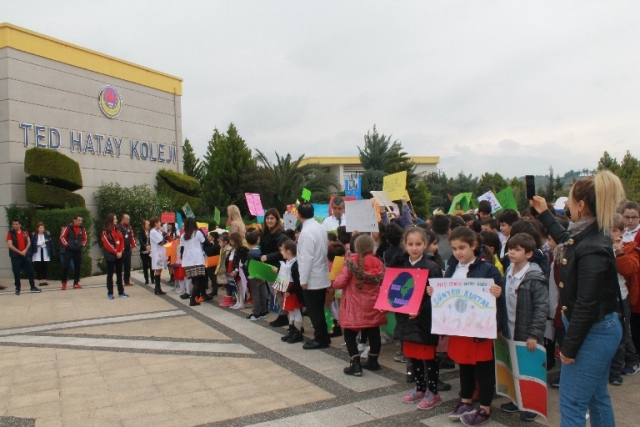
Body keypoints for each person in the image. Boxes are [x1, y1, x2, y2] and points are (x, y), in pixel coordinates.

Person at [530, 170, 624, 427]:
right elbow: (568, 241)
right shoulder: (590, 235)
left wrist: (569, 349)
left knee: (572, 403)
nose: (568, 207)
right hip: (594, 328)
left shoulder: (592, 245)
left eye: (570, 201)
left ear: (581, 206)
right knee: (596, 397)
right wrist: (544, 212)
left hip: (592, 332)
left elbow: (586, 302)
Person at [444, 226, 502, 426]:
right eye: (454, 248)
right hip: (459, 325)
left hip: (480, 326)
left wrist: (497, 292)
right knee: (464, 363)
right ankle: (466, 400)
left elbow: (499, 296)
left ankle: (485, 407)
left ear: (473, 246)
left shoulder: (487, 268)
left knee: (484, 366)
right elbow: (447, 291)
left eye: (462, 247)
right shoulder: (453, 267)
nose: (458, 252)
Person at [388, 228, 444, 410]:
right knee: (412, 355)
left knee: (428, 356)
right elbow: (394, 289)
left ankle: (433, 391)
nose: (414, 248)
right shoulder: (400, 264)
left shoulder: (431, 266)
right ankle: (420, 387)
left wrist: (421, 309)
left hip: (424, 320)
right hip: (406, 317)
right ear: (404, 245)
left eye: (418, 244)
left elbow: (436, 296)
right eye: (410, 244)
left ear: (425, 245)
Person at [498, 233, 549, 422]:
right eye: (510, 248)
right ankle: (517, 400)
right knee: (513, 366)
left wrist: (534, 334)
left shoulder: (534, 276)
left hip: (526, 331)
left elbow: (541, 307)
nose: (512, 252)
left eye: (517, 249)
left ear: (528, 254)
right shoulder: (509, 271)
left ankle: (532, 405)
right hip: (510, 328)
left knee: (530, 369)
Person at [332, 235, 386, 376]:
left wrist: (334, 278)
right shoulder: (378, 262)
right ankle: (373, 361)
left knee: (349, 334)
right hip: (373, 304)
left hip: (354, 305)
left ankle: (355, 364)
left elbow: (339, 283)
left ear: (356, 247)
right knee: (374, 331)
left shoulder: (351, 261)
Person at [609, 213, 640, 383]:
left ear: (621, 231)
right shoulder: (601, 247)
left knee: (621, 335)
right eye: (608, 230)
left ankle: (616, 371)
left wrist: (618, 251)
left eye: (614, 230)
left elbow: (628, 269)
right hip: (604, 298)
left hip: (621, 297)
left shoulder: (629, 248)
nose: (611, 234)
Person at [297, 202, 332, 349]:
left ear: (298, 215)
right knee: (319, 309)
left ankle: (320, 338)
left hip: (312, 277)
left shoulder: (306, 233)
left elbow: (306, 258)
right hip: (322, 274)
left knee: (314, 310)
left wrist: (303, 280)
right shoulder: (320, 227)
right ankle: (323, 335)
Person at [258, 209, 288, 327]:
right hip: (268, 267)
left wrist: (268, 256)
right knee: (273, 291)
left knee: (279, 292)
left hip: (277, 267)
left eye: (272, 218)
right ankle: (282, 314)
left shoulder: (280, 234)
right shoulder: (266, 232)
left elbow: (284, 251)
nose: (269, 220)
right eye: (268, 218)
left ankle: (283, 315)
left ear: (277, 219)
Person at [275, 240, 305, 343]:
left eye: (282, 250)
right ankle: (292, 331)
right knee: (291, 311)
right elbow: (282, 277)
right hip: (287, 289)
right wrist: (278, 287)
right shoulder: (287, 262)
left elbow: (297, 281)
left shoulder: (295, 264)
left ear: (288, 251)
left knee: (296, 311)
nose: (281, 252)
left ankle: (298, 332)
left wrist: (291, 291)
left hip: (293, 291)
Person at [621, 201, 640, 354]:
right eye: (627, 217)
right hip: (625, 282)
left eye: (634, 217)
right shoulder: (621, 232)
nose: (631, 220)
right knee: (631, 320)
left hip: (635, 277)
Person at [179, 217, 207, 307]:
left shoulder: (183, 235)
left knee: (194, 280)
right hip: (197, 259)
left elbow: (182, 248)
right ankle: (192, 299)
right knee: (198, 280)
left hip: (188, 260)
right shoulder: (197, 233)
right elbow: (204, 241)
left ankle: (193, 297)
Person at [7, 219, 40, 294]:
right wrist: (19, 252)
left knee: (30, 271)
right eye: (13, 224)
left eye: (16, 224)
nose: (15, 226)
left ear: (20, 225)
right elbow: (10, 245)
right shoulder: (10, 233)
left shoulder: (25, 231)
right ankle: (18, 288)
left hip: (25, 255)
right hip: (15, 256)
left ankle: (33, 287)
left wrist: (25, 251)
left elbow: (28, 241)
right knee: (16, 272)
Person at [101, 213, 127, 299]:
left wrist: (121, 251)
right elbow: (107, 244)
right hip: (110, 256)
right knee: (110, 274)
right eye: (115, 219)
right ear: (111, 220)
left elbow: (122, 241)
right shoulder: (106, 231)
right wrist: (116, 252)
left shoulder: (118, 230)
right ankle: (110, 293)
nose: (116, 220)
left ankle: (121, 291)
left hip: (119, 255)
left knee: (119, 274)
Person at [60, 214, 87, 290]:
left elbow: (85, 239)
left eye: (81, 220)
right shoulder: (68, 228)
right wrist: (67, 245)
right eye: (79, 220)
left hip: (77, 250)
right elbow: (62, 237)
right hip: (69, 250)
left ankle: (76, 283)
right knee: (65, 266)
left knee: (77, 266)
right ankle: (64, 283)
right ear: (74, 220)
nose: (80, 222)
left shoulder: (82, 229)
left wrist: (82, 245)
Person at [246, 231, 269, 320]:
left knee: (256, 295)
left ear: (247, 242)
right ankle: (263, 311)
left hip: (253, 276)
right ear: (258, 240)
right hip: (262, 275)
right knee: (263, 293)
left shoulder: (250, 253)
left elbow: (249, 265)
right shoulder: (261, 251)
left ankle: (256, 313)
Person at [229, 231, 249, 309]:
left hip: (239, 271)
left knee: (240, 287)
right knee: (235, 287)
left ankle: (241, 302)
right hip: (231, 270)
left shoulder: (241, 249)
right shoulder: (232, 250)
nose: (230, 241)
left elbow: (241, 260)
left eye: (231, 240)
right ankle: (238, 301)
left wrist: (236, 269)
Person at [31, 222, 54, 287]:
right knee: (39, 267)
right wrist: (43, 241)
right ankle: (40, 280)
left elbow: (49, 244)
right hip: (37, 252)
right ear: (37, 228)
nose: (41, 229)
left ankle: (45, 280)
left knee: (45, 267)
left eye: (42, 228)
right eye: (40, 228)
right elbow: (35, 244)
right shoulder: (35, 235)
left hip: (45, 252)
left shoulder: (46, 235)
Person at [117, 214, 137, 287]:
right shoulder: (118, 227)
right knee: (119, 266)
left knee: (127, 266)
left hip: (128, 249)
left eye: (129, 219)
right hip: (120, 250)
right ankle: (118, 280)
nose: (128, 221)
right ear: (123, 219)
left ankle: (127, 280)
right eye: (127, 219)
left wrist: (134, 246)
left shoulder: (129, 227)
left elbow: (132, 237)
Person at [149, 217, 167, 295]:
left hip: (161, 253)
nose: (160, 223)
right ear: (155, 223)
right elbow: (161, 242)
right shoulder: (153, 232)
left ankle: (158, 287)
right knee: (158, 269)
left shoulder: (158, 231)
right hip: (157, 254)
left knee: (159, 269)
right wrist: (165, 239)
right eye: (159, 222)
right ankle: (157, 287)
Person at [217, 233, 234, 306]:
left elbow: (226, 262)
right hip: (224, 270)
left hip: (227, 270)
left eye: (220, 242)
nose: (219, 244)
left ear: (225, 242)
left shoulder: (228, 250)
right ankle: (229, 298)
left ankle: (229, 300)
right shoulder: (223, 249)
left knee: (229, 285)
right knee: (227, 285)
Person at [138, 220, 152, 285]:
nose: (148, 225)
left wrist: (150, 246)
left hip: (150, 250)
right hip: (144, 250)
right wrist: (145, 246)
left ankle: (152, 279)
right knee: (145, 265)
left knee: (151, 265)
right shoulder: (141, 232)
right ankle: (146, 279)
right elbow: (141, 241)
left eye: (149, 224)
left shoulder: (151, 232)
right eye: (147, 224)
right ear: (144, 225)